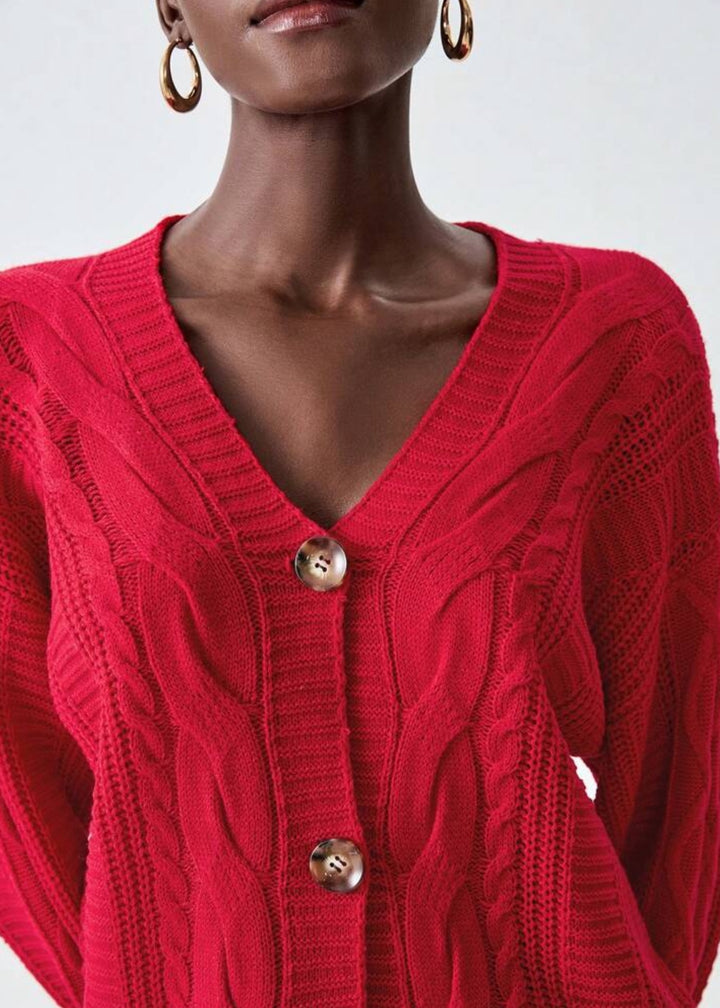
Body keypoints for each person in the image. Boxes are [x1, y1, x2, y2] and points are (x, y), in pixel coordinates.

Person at [1, 1, 719, 1006]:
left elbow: (685, 802)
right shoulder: (34, 363)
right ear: (168, 7)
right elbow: (18, 799)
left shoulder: (616, 346)